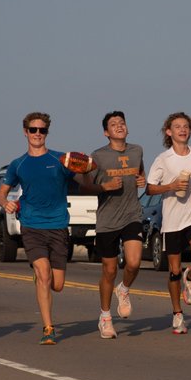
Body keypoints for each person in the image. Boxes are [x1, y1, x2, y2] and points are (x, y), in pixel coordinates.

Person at [0, 112, 90, 345]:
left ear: (47, 132)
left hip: (58, 225)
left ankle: (40, 279)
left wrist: (87, 170)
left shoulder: (61, 159)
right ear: (25, 132)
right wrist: (4, 202)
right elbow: (1, 191)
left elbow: (84, 183)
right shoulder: (19, 164)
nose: (38, 134)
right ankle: (48, 328)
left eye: (42, 130)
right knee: (44, 273)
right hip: (32, 225)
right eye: (33, 130)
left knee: (57, 284)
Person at [77, 111, 145, 339]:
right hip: (107, 220)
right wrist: (104, 187)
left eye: (122, 123)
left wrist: (142, 180)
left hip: (132, 214)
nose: (119, 126)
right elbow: (84, 186)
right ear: (106, 132)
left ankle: (123, 289)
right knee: (109, 269)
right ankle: (105, 317)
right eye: (113, 124)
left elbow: (140, 173)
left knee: (134, 262)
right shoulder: (98, 156)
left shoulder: (137, 151)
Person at [145, 112, 191, 335]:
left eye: (186, 126)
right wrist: (170, 186)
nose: (182, 129)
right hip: (172, 221)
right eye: (177, 126)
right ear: (169, 132)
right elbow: (150, 188)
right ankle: (177, 314)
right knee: (173, 270)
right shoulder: (163, 159)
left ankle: (189, 277)